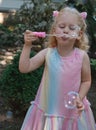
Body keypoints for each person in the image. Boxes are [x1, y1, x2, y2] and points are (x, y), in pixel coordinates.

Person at [19, 7, 96, 130]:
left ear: (79, 34)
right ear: (54, 30)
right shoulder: (48, 53)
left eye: (71, 28)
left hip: (72, 113)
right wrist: (27, 45)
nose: (66, 30)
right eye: (61, 26)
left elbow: (86, 81)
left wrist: (79, 98)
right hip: (48, 110)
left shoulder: (82, 56)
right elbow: (24, 67)